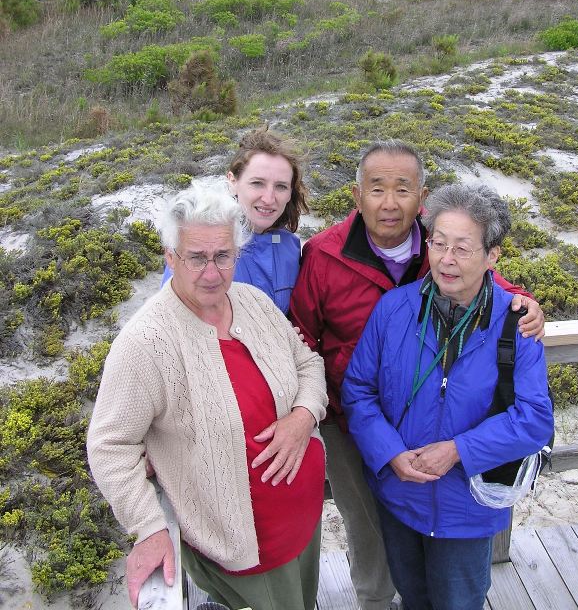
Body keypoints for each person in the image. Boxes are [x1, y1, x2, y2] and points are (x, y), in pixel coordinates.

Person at [289, 140, 545, 610]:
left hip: (457, 481)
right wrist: (377, 444)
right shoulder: (327, 258)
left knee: (456, 590)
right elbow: (307, 344)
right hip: (362, 435)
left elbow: (475, 275)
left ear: (421, 197)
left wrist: (523, 303)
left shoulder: (472, 279)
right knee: (375, 543)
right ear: (356, 194)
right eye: (377, 188)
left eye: (402, 189)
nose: (390, 203)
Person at [88, 177, 327, 610]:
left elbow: (308, 363)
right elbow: (109, 445)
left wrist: (303, 417)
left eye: (223, 255)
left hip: (306, 523)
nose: (212, 272)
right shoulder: (146, 342)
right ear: (170, 257)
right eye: (196, 258)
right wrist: (149, 527)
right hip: (242, 550)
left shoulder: (253, 301)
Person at [161, 127, 308, 314]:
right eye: (257, 183)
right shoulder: (203, 243)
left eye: (281, 186)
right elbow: (173, 320)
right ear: (232, 181)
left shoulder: (291, 246)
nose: (269, 199)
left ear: (290, 193)